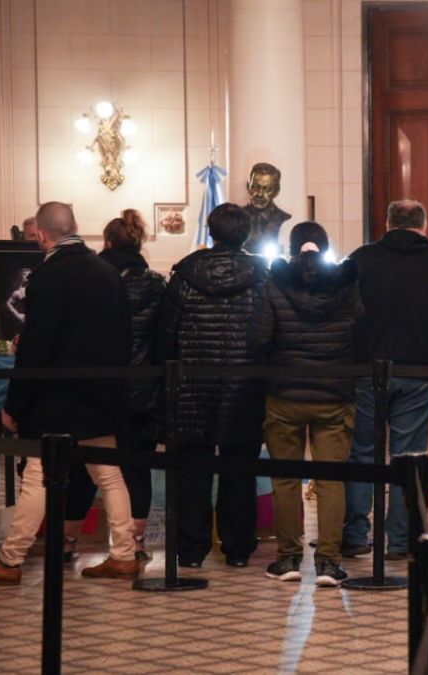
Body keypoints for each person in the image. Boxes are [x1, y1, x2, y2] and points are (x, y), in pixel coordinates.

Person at [0, 202, 138, 584]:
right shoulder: (107, 272)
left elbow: (38, 348)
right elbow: (123, 338)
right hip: (101, 393)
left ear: (39, 234)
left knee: (36, 474)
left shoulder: (46, 277)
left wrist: (15, 403)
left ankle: (9, 560)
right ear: (76, 226)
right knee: (108, 474)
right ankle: (123, 553)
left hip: (55, 398)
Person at [343, 200, 428, 559]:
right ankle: (400, 541)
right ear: (424, 225)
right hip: (420, 375)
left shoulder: (359, 261)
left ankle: (355, 536)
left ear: (387, 223)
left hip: (365, 372)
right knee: (408, 456)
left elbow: (340, 314)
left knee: (362, 454)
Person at [157, 203, 269, 568]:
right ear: (246, 234)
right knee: (240, 470)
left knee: (192, 472)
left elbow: (167, 335)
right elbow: (269, 333)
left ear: (211, 231)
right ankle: (238, 549)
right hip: (244, 386)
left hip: (192, 386)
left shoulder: (186, 274)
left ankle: (191, 549)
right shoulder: (262, 275)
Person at [250, 221, 359, 587]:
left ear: (293, 248)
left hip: (285, 394)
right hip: (334, 395)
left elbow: (260, 336)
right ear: (326, 248)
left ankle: (288, 559)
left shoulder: (275, 282)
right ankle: (329, 562)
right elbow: (360, 333)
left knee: (284, 478)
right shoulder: (347, 283)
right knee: (331, 481)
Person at [62, 210, 166, 563]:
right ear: (140, 242)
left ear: (105, 242)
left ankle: (67, 541)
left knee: (83, 467)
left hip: (94, 387)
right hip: (140, 388)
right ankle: (135, 543)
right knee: (137, 466)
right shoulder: (155, 283)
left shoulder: (90, 279)